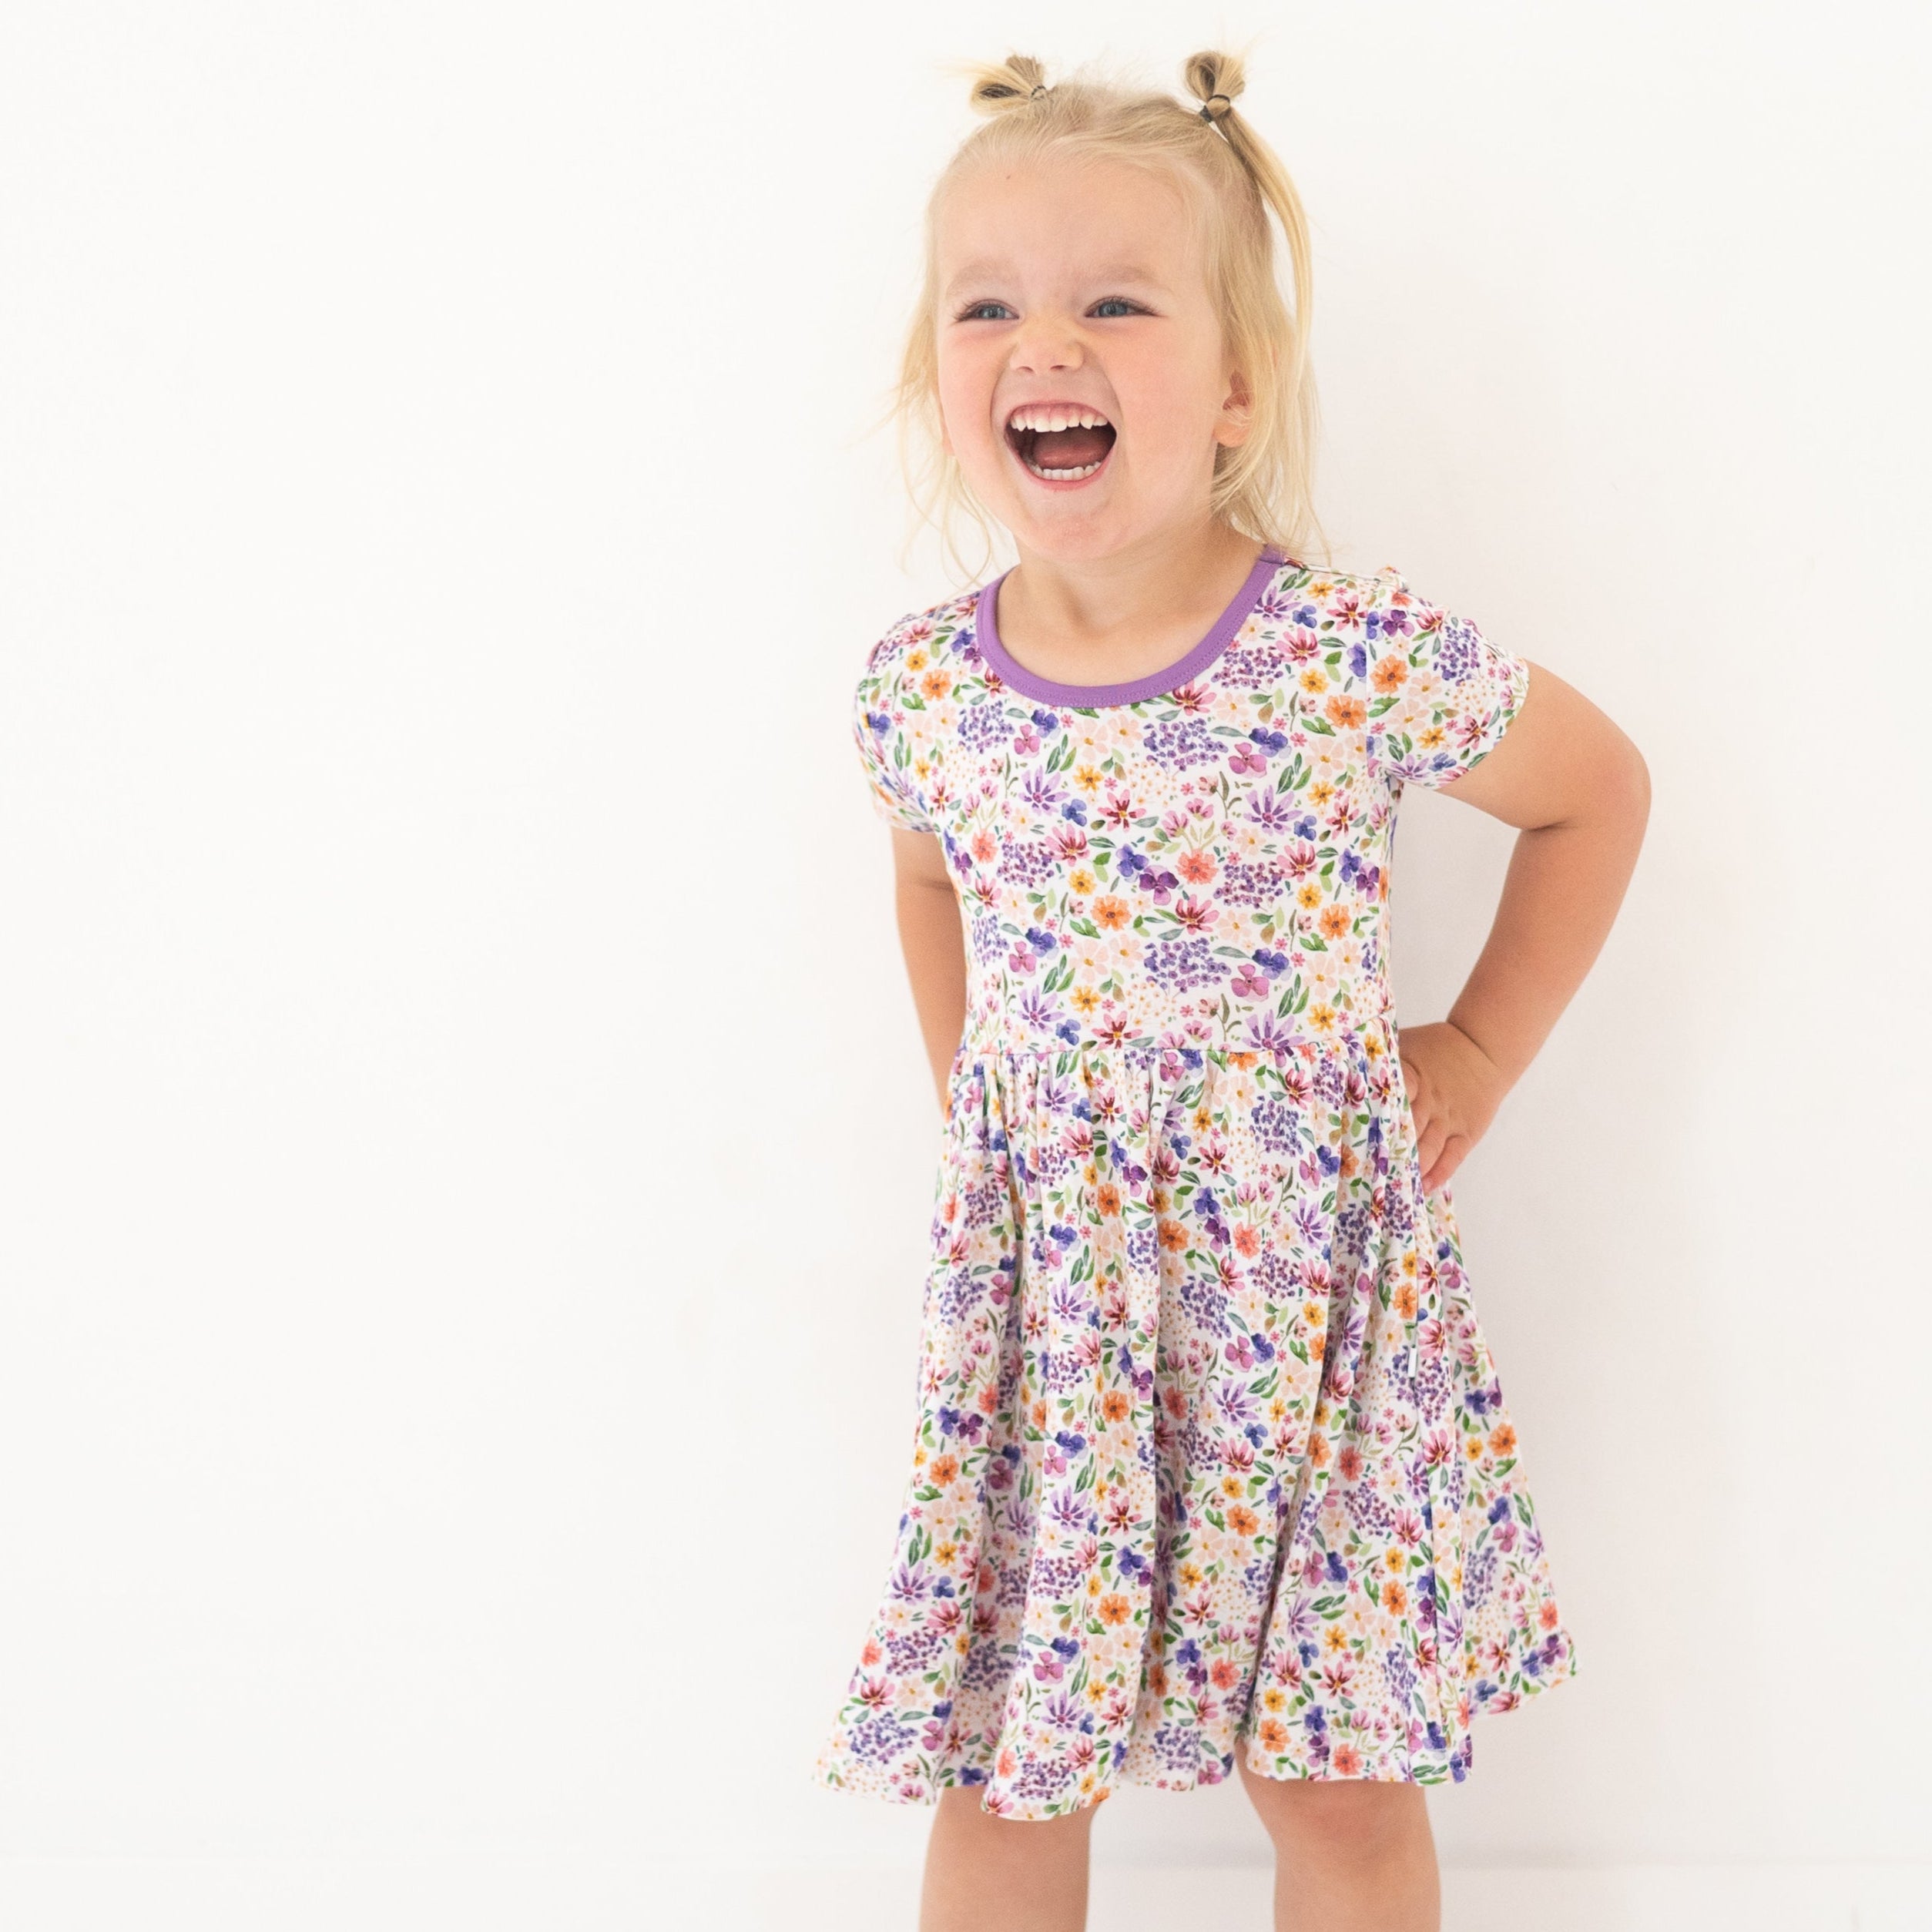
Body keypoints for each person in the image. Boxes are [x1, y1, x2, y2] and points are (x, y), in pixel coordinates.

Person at [811, 46, 1649, 1932]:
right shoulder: (921, 693)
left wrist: (1484, 1049)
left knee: (1339, 1792)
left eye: (1117, 299)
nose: (1051, 342)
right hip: (1059, 1313)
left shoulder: (1349, 654)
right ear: (938, 381)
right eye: (990, 306)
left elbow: (1596, 795)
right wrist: (991, 1119)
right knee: (1013, 1771)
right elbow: (927, 876)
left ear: (1236, 389)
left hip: (1304, 1301)